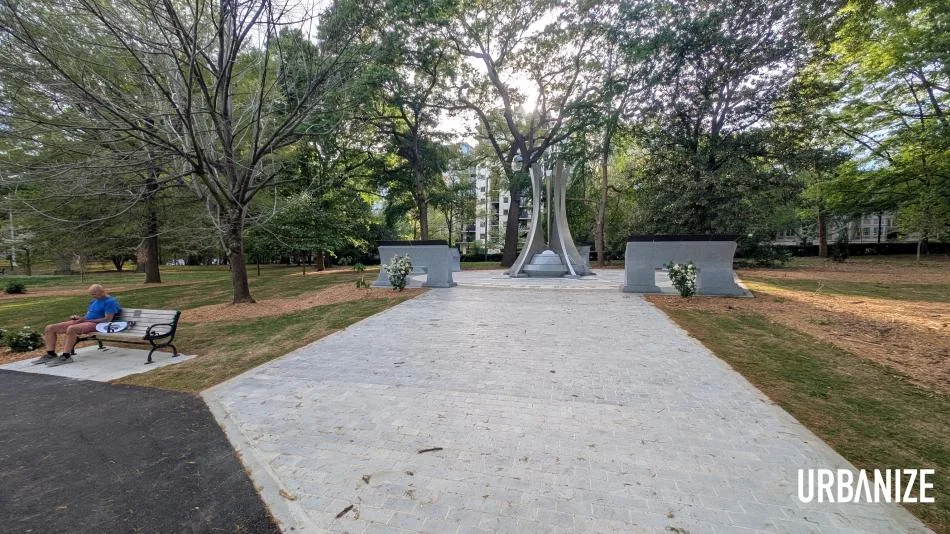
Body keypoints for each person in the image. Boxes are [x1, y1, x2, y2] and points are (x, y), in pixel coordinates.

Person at [35, 284, 120, 366]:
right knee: (50, 328)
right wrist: (79, 318)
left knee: (72, 329)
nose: (92, 296)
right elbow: (89, 315)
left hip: (97, 324)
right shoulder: (94, 301)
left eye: (94, 294)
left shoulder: (110, 302)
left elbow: (107, 319)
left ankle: (66, 356)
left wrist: (88, 320)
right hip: (86, 321)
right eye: (91, 294)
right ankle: (51, 354)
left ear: (102, 291)